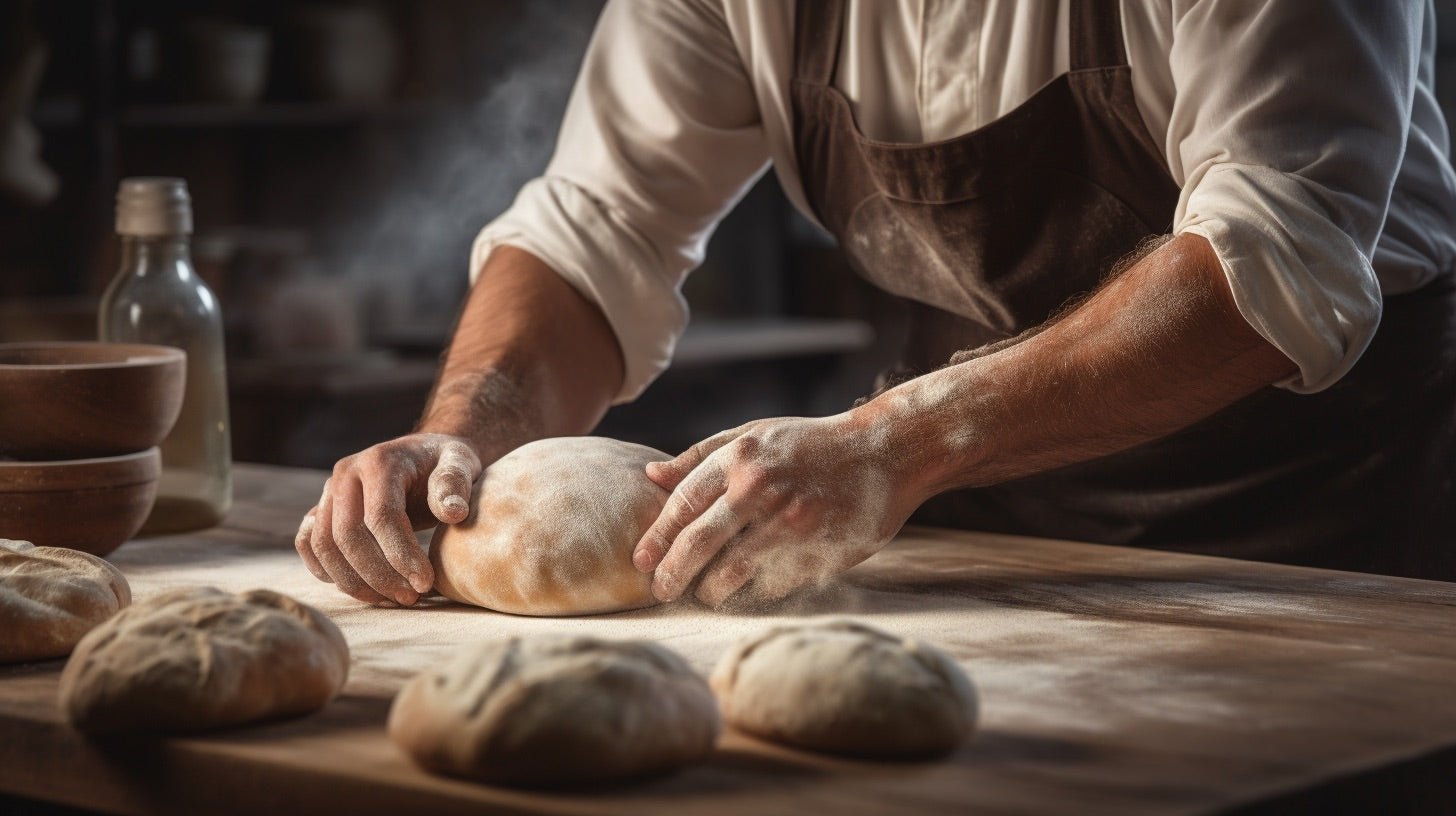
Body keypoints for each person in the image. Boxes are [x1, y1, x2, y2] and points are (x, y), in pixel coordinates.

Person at [294, 0, 1456, 609]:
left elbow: (1276, 258)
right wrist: (466, 431)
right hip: (974, 522)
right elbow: (597, 230)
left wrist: (892, 438)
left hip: (1319, 515)